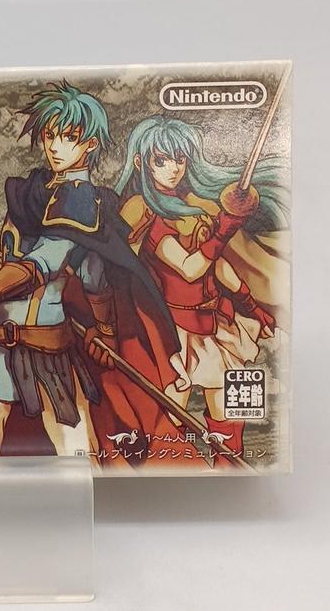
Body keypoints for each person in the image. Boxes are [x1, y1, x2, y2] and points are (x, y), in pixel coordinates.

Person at [0, 83, 187, 465]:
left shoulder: (82, 202)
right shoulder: (33, 192)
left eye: (69, 137)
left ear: (90, 144)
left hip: (46, 346)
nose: (55, 146)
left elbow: (52, 264)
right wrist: (102, 327)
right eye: (50, 135)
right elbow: (89, 274)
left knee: (74, 444)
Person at [115, 115, 288, 466]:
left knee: (230, 419)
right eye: (162, 160)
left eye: (179, 159)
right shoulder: (146, 215)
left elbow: (216, 267)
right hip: (172, 334)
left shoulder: (195, 205)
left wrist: (250, 305)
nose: (173, 168)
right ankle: (170, 481)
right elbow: (190, 267)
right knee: (169, 423)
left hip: (214, 322)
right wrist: (223, 230)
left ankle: (231, 481)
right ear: (142, 163)